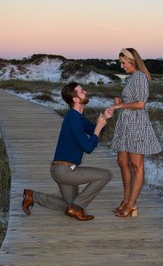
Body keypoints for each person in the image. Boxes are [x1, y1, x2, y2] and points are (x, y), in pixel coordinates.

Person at [22, 82, 113, 221]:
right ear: (75, 99)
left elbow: (94, 129)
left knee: (68, 205)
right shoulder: (74, 120)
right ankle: (77, 208)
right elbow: (88, 147)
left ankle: (32, 196)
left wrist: (104, 119)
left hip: (59, 169)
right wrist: (99, 127)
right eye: (82, 91)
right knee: (105, 175)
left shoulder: (77, 117)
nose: (86, 92)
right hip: (66, 171)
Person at [110, 48, 162, 218]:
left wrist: (120, 106)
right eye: (120, 62)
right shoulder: (132, 78)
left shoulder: (139, 76)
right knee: (122, 161)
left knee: (136, 165)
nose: (121, 66)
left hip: (136, 124)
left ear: (132, 61)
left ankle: (132, 205)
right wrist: (121, 100)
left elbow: (140, 104)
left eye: (123, 62)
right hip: (126, 123)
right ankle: (126, 200)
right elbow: (133, 100)